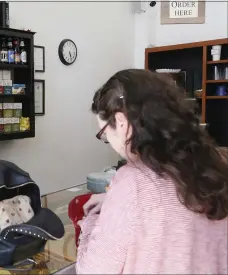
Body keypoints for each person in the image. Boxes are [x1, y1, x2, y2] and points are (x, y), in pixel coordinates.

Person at [77, 69, 228, 274]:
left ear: (121, 122)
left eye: (105, 135)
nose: (110, 143)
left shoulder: (133, 181)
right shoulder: (218, 161)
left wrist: (91, 221)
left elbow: (92, 270)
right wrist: (115, 202)